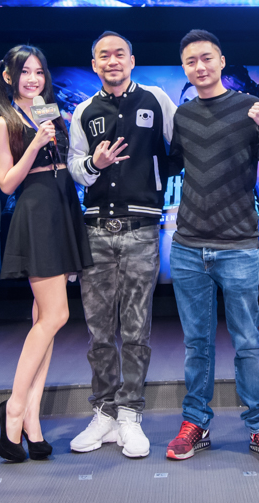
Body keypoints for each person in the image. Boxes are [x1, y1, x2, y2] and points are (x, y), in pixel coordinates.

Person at [164, 29, 259, 466]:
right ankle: (195, 423)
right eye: (191, 61)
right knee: (196, 344)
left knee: (248, 342)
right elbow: (174, 164)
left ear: (220, 60)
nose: (199, 66)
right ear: (185, 68)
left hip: (238, 245)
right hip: (188, 246)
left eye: (206, 58)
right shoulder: (183, 116)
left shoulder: (248, 107)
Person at [67, 31, 176, 458]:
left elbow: (181, 146)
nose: (112, 61)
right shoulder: (84, 110)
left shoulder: (156, 100)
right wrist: (94, 163)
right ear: (94, 64)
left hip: (142, 229)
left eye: (119, 54)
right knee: (98, 331)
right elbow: (75, 166)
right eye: (103, 56)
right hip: (95, 229)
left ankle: (130, 414)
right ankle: (104, 413)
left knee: (135, 329)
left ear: (132, 60)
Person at [0, 45, 92, 462]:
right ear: (9, 77)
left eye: (39, 72)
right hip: (36, 212)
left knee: (43, 321)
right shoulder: (3, 121)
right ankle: (13, 408)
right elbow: (6, 183)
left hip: (63, 206)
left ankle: (32, 419)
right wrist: (34, 145)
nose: (33, 79)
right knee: (56, 316)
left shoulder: (50, 111)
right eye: (25, 72)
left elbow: (66, 159)